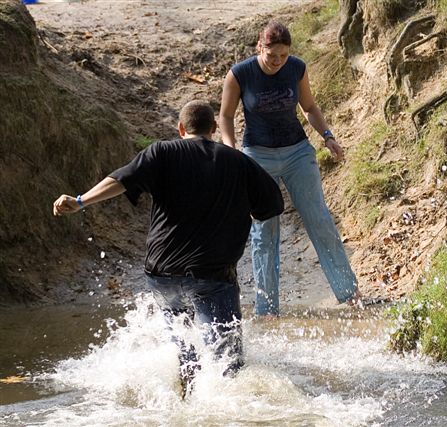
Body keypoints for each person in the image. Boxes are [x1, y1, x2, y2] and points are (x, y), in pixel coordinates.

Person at [52, 100, 284, 397]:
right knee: (228, 360)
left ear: (180, 128)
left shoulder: (161, 151)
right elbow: (272, 204)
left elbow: (121, 179)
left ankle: (184, 397)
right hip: (212, 275)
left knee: (186, 350)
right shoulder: (236, 161)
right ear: (214, 129)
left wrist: (80, 201)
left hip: (162, 273)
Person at [219, 20, 361, 317]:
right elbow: (226, 117)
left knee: (320, 219)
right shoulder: (240, 74)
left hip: (297, 152)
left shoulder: (297, 68)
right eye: (273, 56)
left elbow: (309, 107)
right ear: (261, 47)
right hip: (257, 157)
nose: (278, 62)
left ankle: (350, 294)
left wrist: (328, 137)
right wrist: (231, 150)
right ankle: (266, 309)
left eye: (284, 56)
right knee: (264, 232)